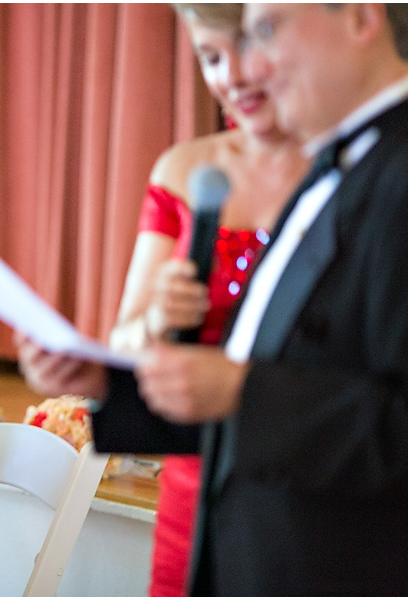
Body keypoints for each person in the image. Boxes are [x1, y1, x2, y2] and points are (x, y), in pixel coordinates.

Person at [18, 3, 407, 595]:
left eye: (267, 32)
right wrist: (110, 382)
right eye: (230, 46)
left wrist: (240, 392)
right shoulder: (340, 169)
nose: (250, 67)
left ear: (360, 18)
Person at [106, 4, 307, 596]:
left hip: (308, 467)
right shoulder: (184, 169)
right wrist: (159, 318)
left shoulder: (356, 170)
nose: (232, 77)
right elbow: (124, 339)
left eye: (245, 49)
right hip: (197, 475)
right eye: (211, 57)